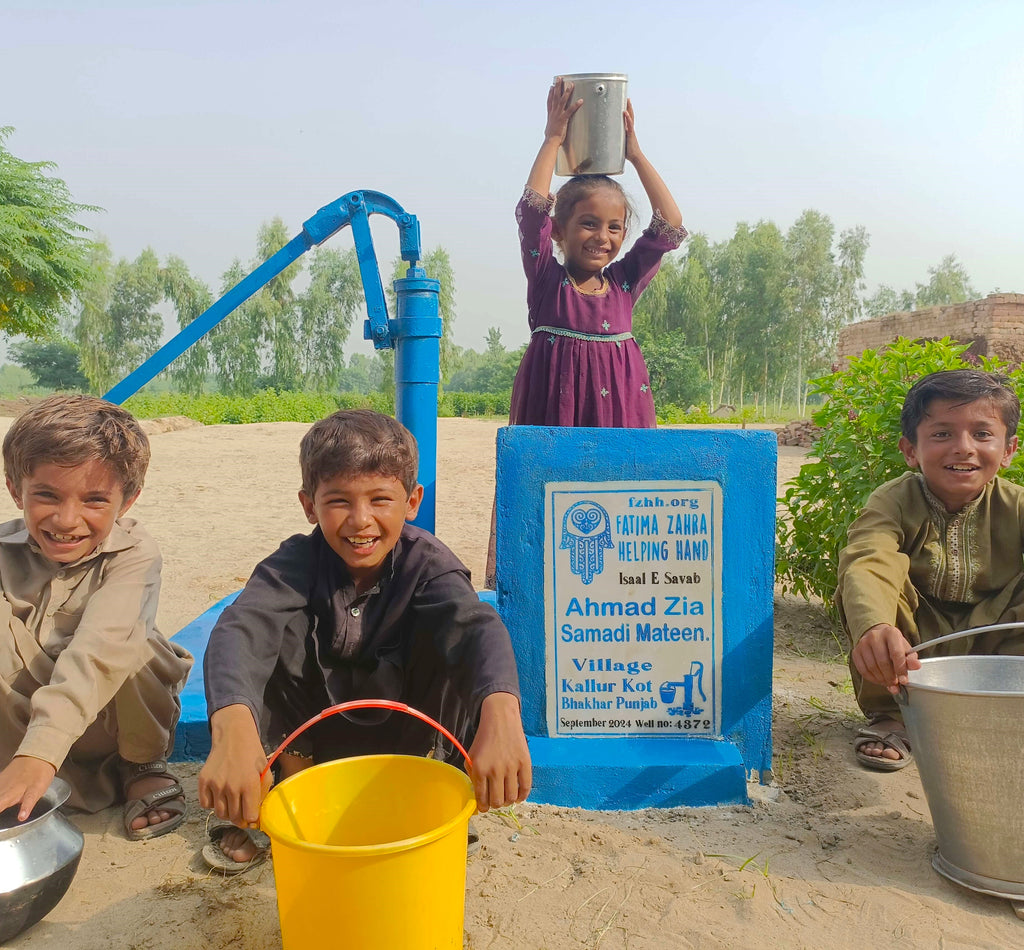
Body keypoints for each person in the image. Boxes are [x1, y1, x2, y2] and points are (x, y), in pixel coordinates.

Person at [198, 409, 531, 872]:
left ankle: (430, 789)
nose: (360, 521)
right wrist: (231, 730)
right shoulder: (293, 563)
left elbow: (478, 630)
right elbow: (241, 628)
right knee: (268, 625)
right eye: (338, 501)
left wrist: (503, 718)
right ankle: (288, 795)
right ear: (308, 505)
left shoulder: (429, 565)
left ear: (412, 501)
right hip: (314, 741)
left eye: (380, 499)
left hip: (408, 738)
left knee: (455, 629)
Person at [0, 395, 193, 838]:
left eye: (94, 500)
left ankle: (141, 766)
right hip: (17, 731)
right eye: (46, 495)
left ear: (127, 501)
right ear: (15, 490)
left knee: (135, 645)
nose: (67, 520)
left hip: (107, 727)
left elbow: (97, 656)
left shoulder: (134, 556)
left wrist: (41, 754)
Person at [836, 369, 1024, 771]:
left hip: (994, 644)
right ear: (910, 450)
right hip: (912, 645)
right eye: (941, 434)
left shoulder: (1016, 505)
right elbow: (870, 556)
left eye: (982, 434)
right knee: (867, 585)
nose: (963, 448)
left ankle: (1005, 712)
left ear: (1008, 450)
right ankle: (893, 715)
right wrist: (875, 626)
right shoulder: (894, 499)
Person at [508, 76, 689, 427]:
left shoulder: (625, 282)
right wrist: (553, 139)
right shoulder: (547, 279)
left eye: (614, 227)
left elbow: (670, 222)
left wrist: (635, 154)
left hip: (620, 423)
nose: (602, 237)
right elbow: (533, 212)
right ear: (559, 230)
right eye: (589, 223)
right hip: (554, 426)